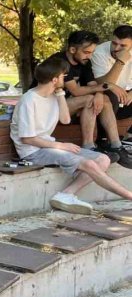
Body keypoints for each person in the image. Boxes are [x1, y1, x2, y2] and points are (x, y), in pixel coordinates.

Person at [12, 55, 132, 214]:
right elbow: (27, 138)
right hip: (32, 152)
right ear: (55, 79)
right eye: (63, 76)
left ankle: (66, 194)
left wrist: (60, 95)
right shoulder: (29, 100)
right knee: (88, 164)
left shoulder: (53, 95)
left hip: (48, 146)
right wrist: (60, 145)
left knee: (103, 159)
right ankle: (129, 196)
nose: (66, 78)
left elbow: (65, 119)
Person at [37, 31, 131, 167]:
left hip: (64, 105)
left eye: (92, 52)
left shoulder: (84, 62)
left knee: (103, 99)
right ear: (72, 49)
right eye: (87, 52)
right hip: (46, 107)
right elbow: (76, 91)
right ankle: (89, 146)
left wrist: (100, 93)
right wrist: (107, 86)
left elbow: (94, 86)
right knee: (89, 99)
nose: (90, 56)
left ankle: (116, 145)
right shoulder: (59, 63)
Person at [92, 25, 132, 138]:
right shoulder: (99, 53)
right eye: (114, 43)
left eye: (123, 45)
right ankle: (104, 139)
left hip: (125, 99)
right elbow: (104, 85)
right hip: (105, 98)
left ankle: (129, 136)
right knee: (110, 96)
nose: (116, 48)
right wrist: (120, 61)